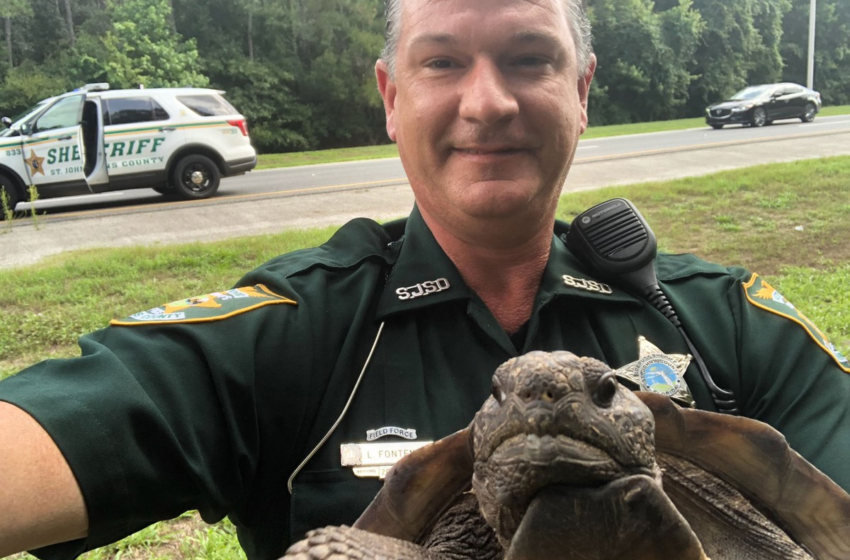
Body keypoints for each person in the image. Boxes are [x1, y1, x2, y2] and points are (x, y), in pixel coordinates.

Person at [2, 0, 849, 558]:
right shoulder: (298, 330)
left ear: (582, 89)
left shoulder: (723, 322)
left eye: (529, 58)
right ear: (391, 96)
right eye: (442, 63)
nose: (488, 103)